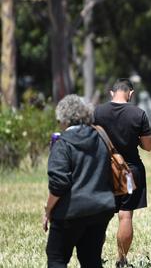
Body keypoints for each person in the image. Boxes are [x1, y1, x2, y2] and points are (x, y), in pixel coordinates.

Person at [44, 95, 115, 268]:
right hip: (100, 209)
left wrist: (48, 210)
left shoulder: (62, 144)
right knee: (91, 261)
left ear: (64, 119)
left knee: (57, 258)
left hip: (70, 213)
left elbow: (59, 183)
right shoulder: (101, 138)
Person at [94, 78, 151, 267]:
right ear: (131, 93)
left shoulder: (97, 112)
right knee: (125, 215)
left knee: (99, 217)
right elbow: (148, 146)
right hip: (129, 171)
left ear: (112, 93)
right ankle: (121, 259)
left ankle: (94, 257)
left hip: (103, 170)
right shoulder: (138, 114)